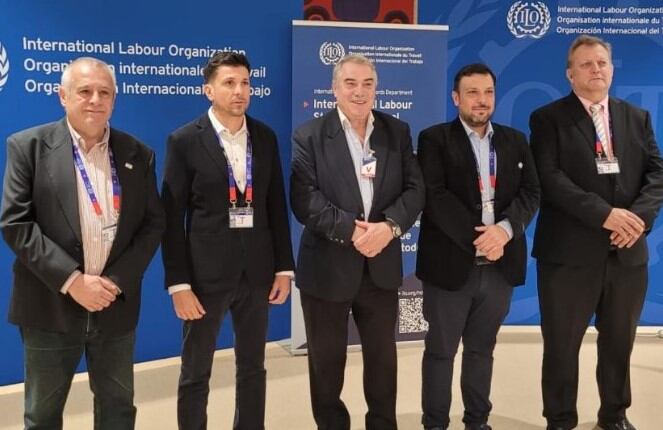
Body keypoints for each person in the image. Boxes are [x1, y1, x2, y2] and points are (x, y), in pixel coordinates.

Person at [0, 57, 165, 430]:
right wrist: (73, 281)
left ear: (114, 99)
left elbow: (153, 224)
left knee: (118, 410)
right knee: (42, 416)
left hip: (113, 305)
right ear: (63, 96)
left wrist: (116, 281)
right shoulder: (28, 147)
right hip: (49, 306)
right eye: (85, 91)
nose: (95, 100)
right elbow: (16, 224)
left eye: (104, 92)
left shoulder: (137, 153)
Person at [530, 35, 663, 430]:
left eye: (602, 62)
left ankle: (614, 415)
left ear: (612, 69)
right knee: (561, 345)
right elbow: (550, 178)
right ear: (570, 74)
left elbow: (657, 174)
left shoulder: (636, 117)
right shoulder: (547, 118)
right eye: (586, 64)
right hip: (568, 256)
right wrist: (605, 215)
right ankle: (560, 420)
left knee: (619, 342)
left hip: (626, 253)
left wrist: (636, 220)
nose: (596, 69)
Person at [290, 53, 425, 430]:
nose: (359, 91)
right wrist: (352, 231)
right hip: (327, 268)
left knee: (382, 361)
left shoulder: (396, 131)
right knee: (326, 363)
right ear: (334, 89)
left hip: (381, 267)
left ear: (376, 89)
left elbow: (415, 189)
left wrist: (389, 227)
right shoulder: (309, 135)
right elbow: (305, 200)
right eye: (350, 83)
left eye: (367, 84)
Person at [161, 51, 294, 430]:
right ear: (209, 90)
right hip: (204, 278)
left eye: (245, 83)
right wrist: (178, 284)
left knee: (253, 366)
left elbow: (275, 206)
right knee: (195, 371)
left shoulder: (265, 137)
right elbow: (171, 219)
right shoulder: (185, 141)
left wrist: (283, 268)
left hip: (258, 273)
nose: (239, 91)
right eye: (229, 83)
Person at [416, 63, 540, 430]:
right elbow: (435, 196)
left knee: (482, 350)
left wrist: (504, 231)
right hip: (450, 267)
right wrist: (481, 240)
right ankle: (435, 424)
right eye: (472, 92)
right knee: (440, 352)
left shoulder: (515, 140)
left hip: (500, 266)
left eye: (488, 92)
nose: (481, 100)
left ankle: (477, 421)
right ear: (456, 98)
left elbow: (531, 192)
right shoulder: (434, 139)